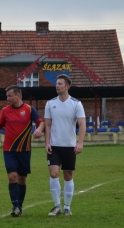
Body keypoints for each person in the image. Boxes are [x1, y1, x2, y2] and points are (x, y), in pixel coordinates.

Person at [0, 85, 44, 217]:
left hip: (24, 150)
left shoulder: (29, 109)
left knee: (22, 179)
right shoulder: (5, 111)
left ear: (18, 96)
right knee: (12, 177)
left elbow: (41, 122)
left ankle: (19, 206)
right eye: (7, 96)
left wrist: (39, 129)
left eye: (9, 96)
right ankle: (15, 206)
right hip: (9, 150)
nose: (7, 98)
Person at [44, 74, 86, 216]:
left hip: (69, 146)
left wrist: (80, 142)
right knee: (53, 173)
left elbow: (82, 124)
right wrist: (47, 142)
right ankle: (56, 206)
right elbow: (48, 125)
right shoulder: (50, 104)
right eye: (57, 83)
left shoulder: (76, 104)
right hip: (54, 146)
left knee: (68, 176)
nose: (57, 86)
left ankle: (67, 207)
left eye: (60, 84)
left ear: (67, 86)